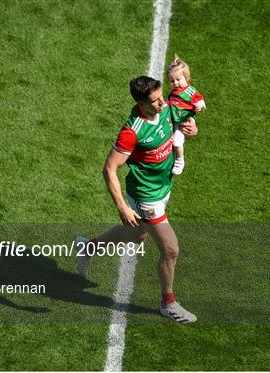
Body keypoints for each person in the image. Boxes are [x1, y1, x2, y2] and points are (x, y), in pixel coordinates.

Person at [75, 76, 198, 323]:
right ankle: (168, 303)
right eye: (154, 101)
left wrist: (192, 128)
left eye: (161, 97)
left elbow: (182, 123)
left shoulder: (165, 108)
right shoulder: (132, 132)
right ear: (141, 104)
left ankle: (89, 246)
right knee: (171, 250)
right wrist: (122, 206)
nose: (162, 103)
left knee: (137, 234)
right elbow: (109, 169)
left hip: (163, 188)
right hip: (146, 196)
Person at [166, 55, 206, 175]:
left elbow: (200, 100)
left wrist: (200, 106)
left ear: (187, 78)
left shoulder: (189, 91)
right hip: (175, 118)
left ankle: (180, 160)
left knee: (177, 140)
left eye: (178, 79)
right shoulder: (173, 92)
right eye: (172, 81)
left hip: (185, 120)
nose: (175, 83)